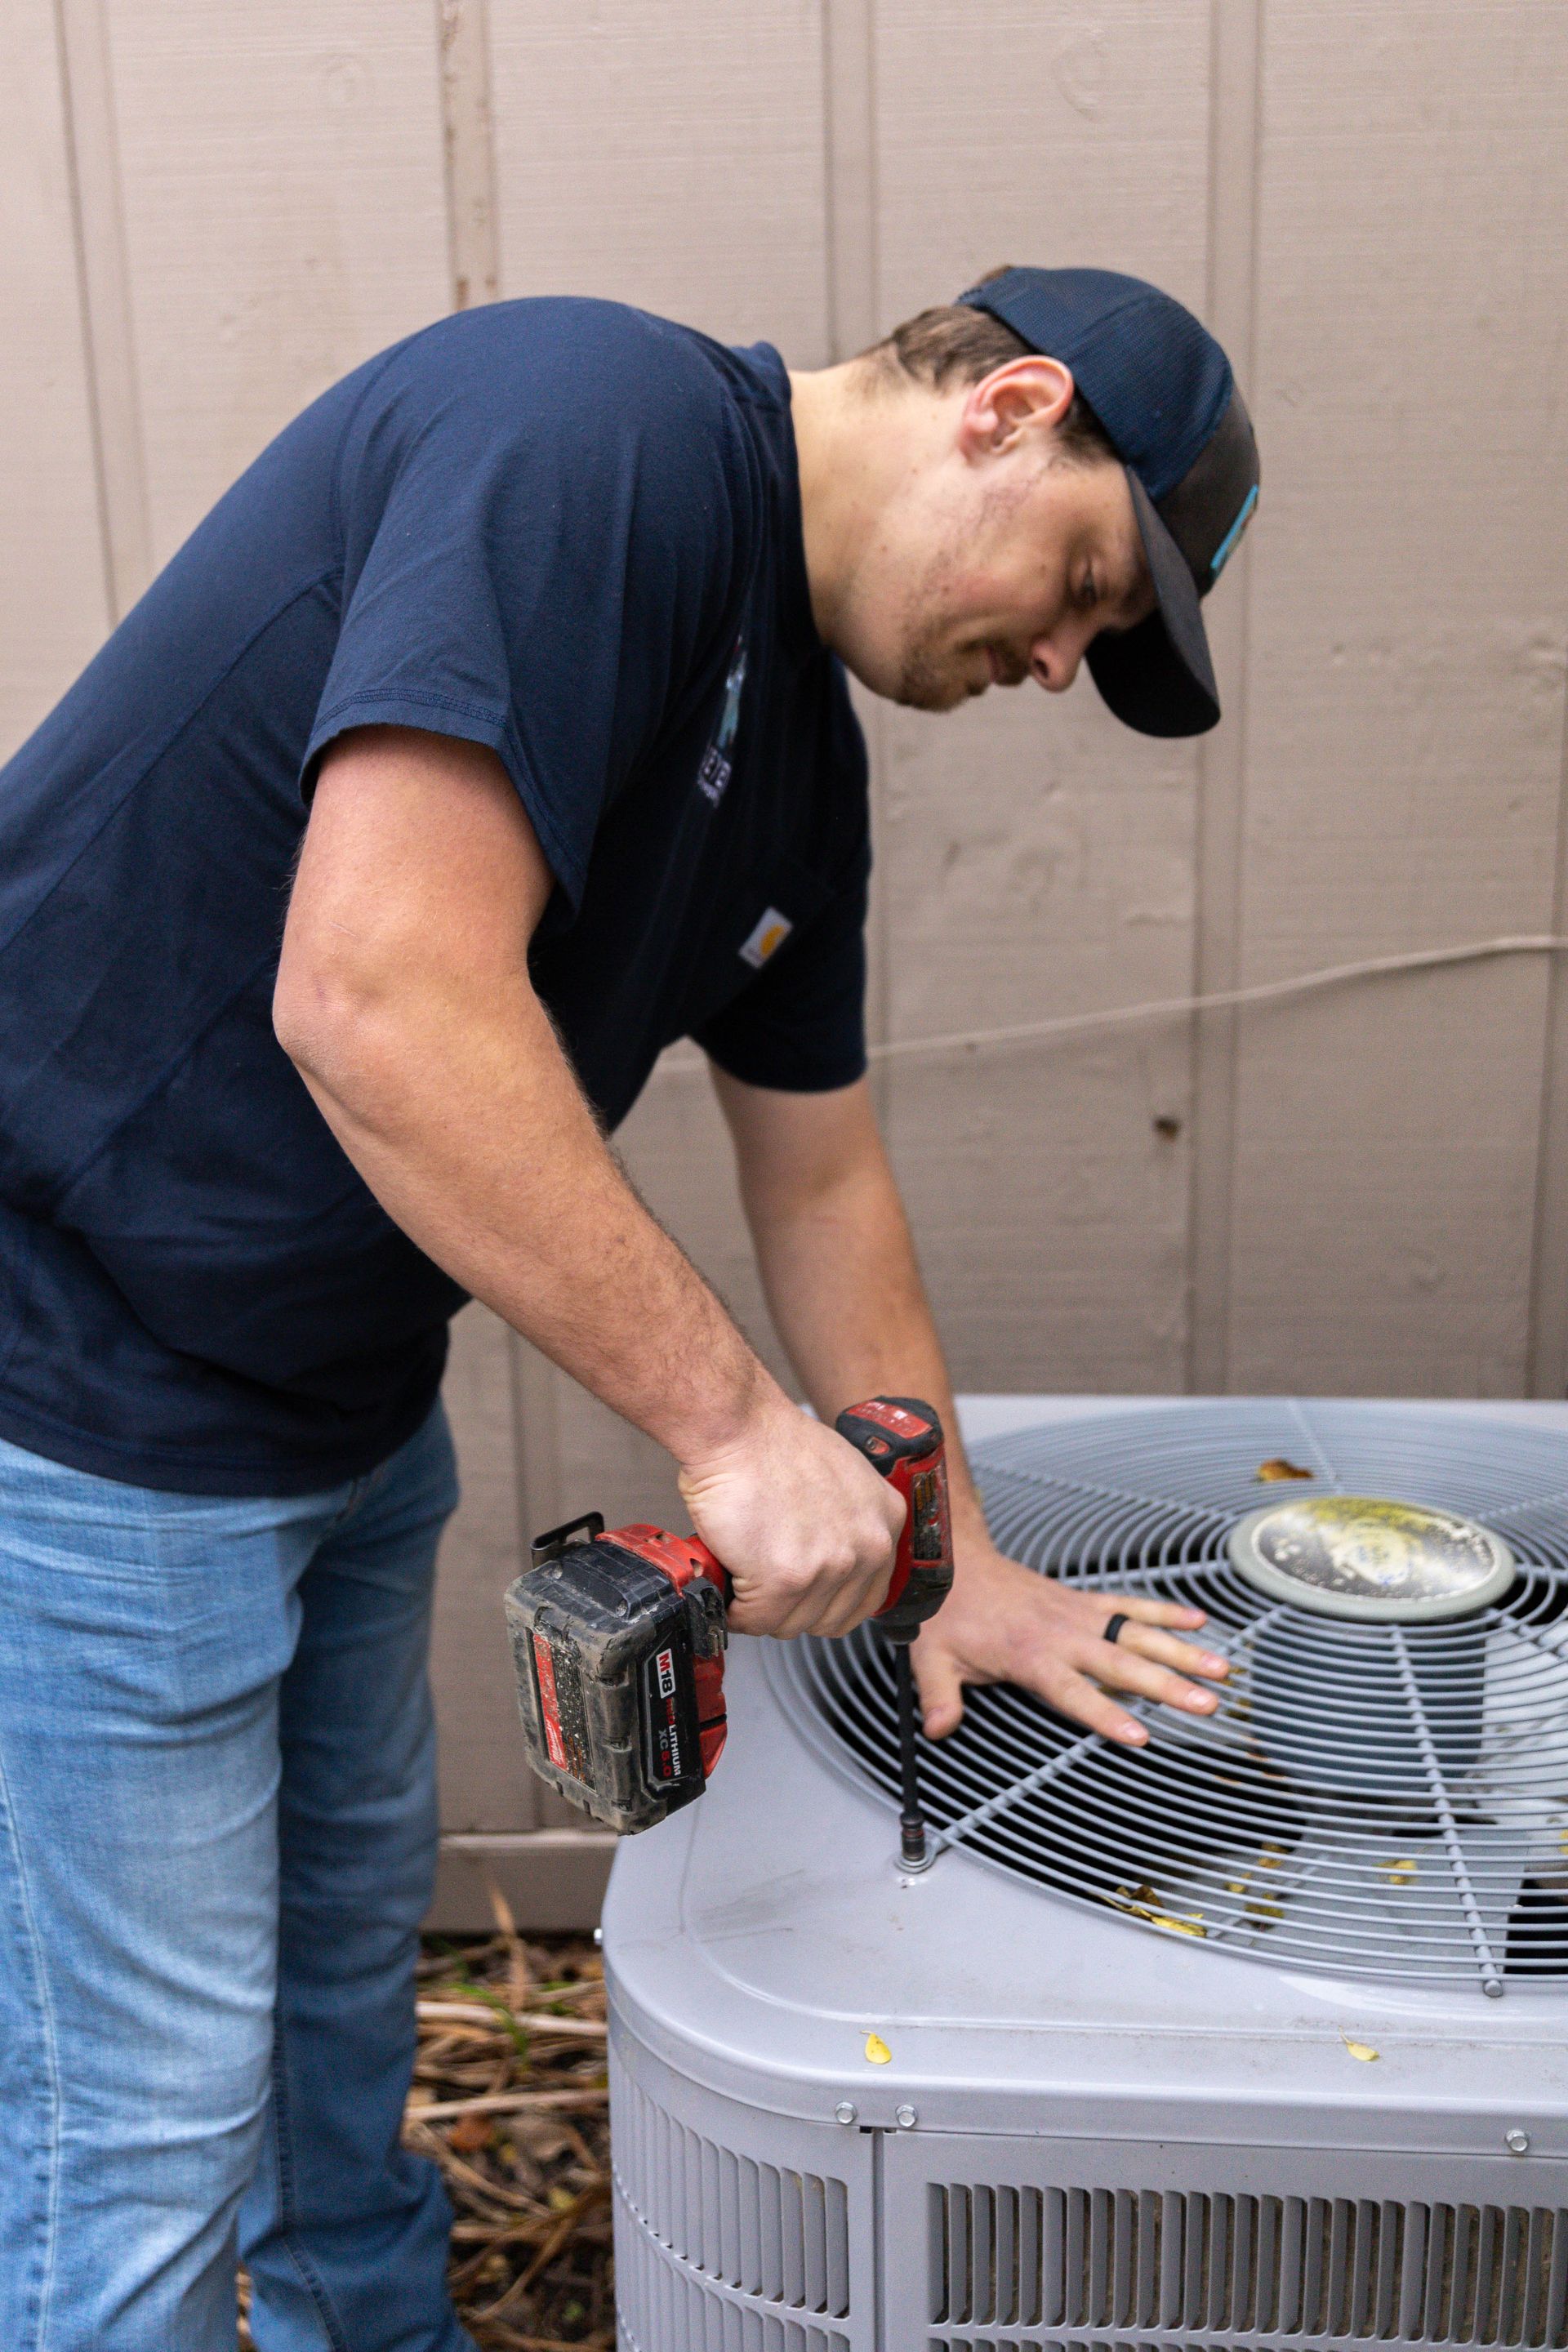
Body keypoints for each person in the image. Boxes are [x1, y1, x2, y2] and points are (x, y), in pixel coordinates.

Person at [0, 264, 1258, 2349]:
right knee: (131, 2144)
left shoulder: (806, 783)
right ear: (1012, 408)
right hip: (85, 1397)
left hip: (334, 1409)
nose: (1057, 661)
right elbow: (379, 995)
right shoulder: (592, 432)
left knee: (333, 2023)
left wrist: (947, 1556)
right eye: (1088, 591)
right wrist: (743, 1435)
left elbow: (827, 1176)